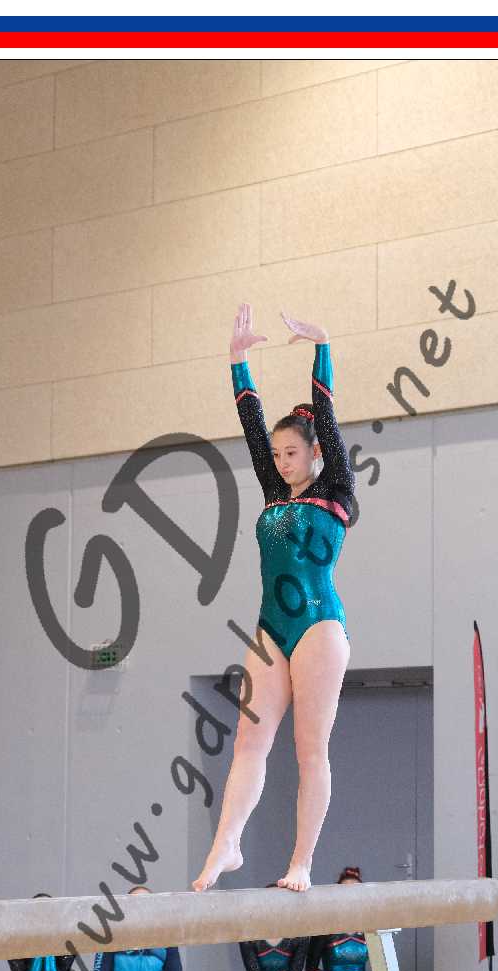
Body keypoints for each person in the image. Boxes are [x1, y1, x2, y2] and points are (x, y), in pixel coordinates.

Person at [193, 302, 355, 893]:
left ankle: (301, 861)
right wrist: (237, 361)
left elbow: (327, 416)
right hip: (270, 626)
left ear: (315, 454)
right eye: (278, 454)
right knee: (248, 742)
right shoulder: (273, 489)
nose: (283, 462)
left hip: (318, 626)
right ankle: (226, 845)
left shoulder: (336, 487)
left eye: (293, 453)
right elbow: (250, 424)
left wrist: (322, 346)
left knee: (309, 748)